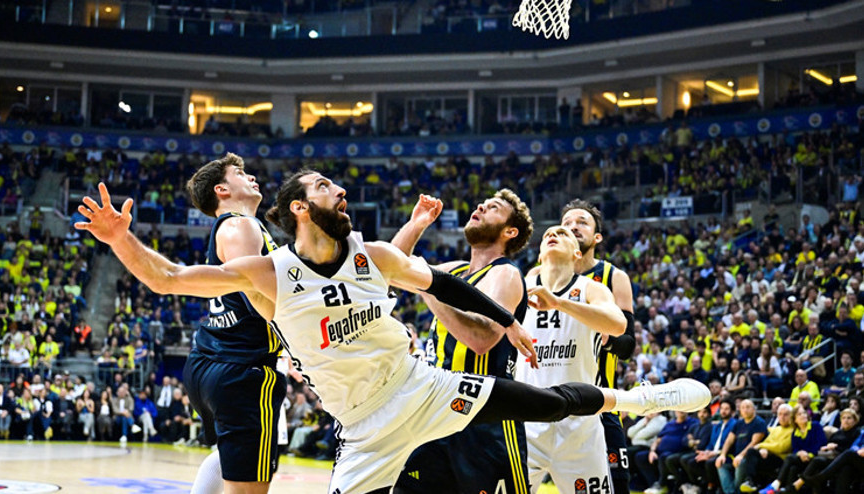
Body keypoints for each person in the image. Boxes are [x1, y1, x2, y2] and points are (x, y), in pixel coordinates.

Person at [75, 175, 710, 494]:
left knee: (544, 403)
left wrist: (510, 321)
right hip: (364, 429)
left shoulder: (371, 253)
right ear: (300, 207)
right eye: (326, 187)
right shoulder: (270, 272)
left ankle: (637, 400)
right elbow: (168, 278)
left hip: (423, 387)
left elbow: (443, 283)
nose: (341, 192)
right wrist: (121, 239)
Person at [391, 190, 536, 494]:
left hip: (486, 419)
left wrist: (429, 289)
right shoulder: (453, 271)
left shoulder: (505, 274)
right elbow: (389, 270)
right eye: (483, 203)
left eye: (493, 207)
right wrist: (416, 224)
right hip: (437, 411)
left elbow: (481, 339)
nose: (481, 205)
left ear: (510, 231)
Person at [178, 153, 286, 494]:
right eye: (240, 173)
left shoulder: (230, 229)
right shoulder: (240, 225)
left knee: (226, 458)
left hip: (212, 360)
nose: (251, 177)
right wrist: (299, 337)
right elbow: (257, 293)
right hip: (242, 369)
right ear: (222, 190)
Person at [529, 198, 637, 494]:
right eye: (566, 223)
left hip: (596, 399)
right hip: (538, 400)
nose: (572, 227)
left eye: (581, 223)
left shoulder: (610, 279)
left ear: (596, 237)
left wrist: (602, 332)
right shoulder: (533, 279)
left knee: (617, 484)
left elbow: (627, 343)